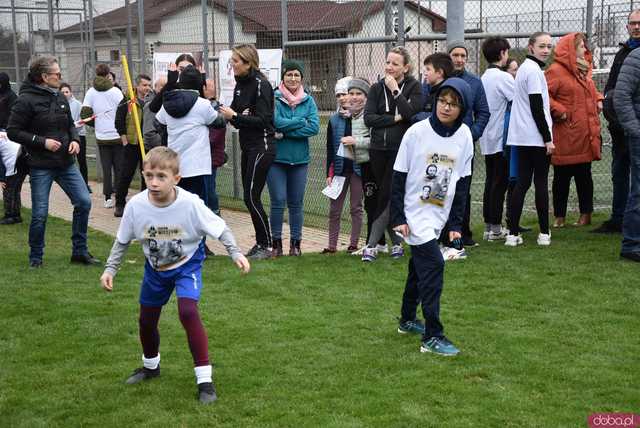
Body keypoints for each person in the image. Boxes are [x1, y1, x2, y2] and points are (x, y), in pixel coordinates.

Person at [100, 147, 250, 403]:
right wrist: (110, 268)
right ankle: (150, 367)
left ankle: (205, 382)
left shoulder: (190, 203)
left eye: (161, 176)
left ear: (176, 178)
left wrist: (235, 253)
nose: (154, 182)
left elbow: (220, 228)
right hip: (155, 270)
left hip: (187, 265)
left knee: (188, 312)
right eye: (149, 176)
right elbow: (122, 240)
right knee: (146, 321)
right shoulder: (136, 205)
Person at [390, 78, 473, 356]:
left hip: (438, 215)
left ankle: (407, 319)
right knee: (434, 266)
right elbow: (399, 176)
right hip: (414, 215)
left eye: (453, 104)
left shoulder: (464, 137)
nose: (446, 108)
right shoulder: (416, 132)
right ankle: (433, 336)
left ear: (462, 108)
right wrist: (399, 216)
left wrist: (456, 225)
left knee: (419, 268)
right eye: (442, 101)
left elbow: (462, 183)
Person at [7, 56, 98, 267]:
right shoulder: (25, 100)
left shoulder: (59, 96)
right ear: (44, 77)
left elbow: (70, 125)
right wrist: (42, 142)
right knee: (40, 214)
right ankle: (36, 257)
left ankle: (80, 251)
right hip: (41, 166)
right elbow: (13, 131)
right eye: (57, 74)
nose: (60, 77)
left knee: (84, 202)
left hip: (66, 163)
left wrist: (75, 140)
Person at [362, 46, 423, 262]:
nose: (389, 67)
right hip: (378, 149)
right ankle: (396, 243)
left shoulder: (414, 86)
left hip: (400, 151)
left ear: (405, 67)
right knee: (385, 196)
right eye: (388, 62)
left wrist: (396, 91)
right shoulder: (377, 88)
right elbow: (369, 118)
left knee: (387, 194)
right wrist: (394, 119)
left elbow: (409, 113)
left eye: (395, 63)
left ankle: (370, 245)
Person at [219, 44, 276, 260]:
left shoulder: (262, 84)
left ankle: (266, 245)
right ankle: (261, 242)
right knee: (249, 197)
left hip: (262, 146)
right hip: (248, 146)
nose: (232, 65)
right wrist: (225, 114)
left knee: (252, 196)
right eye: (232, 60)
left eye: (235, 61)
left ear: (248, 62)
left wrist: (235, 117)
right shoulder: (240, 84)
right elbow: (234, 114)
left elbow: (263, 120)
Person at [546, 33, 602, 228]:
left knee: (584, 177)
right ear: (569, 49)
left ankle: (586, 215)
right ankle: (559, 216)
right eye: (580, 47)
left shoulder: (583, 70)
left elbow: (591, 92)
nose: (584, 50)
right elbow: (544, 96)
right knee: (561, 178)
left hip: (584, 134)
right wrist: (560, 111)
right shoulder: (555, 71)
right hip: (566, 133)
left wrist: (599, 100)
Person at [505, 32, 555, 247]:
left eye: (549, 46)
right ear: (530, 47)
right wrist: (548, 138)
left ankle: (512, 234)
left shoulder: (525, 68)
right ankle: (544, 233)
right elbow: (537, 107)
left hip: (522, 137)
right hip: (535, 137)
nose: (546, 50)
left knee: (522, 183)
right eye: (541, 45)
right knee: (540, 183)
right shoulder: (533, 71)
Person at [593, 10, 640, 234]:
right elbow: (613, 91)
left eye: (639, 23)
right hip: (622, 128)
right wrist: (616, 119)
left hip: (634, 127)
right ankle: (618, 218)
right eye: (632, 23)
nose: (636, 27)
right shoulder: (623, 53)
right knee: (619, 172)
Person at [268, 60, 320, 257]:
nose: (292, 78)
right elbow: (275, 122)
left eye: (296, 75)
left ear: (302, 78)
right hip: (277, 160)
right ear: (283, 76)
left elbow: (313, 127)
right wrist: (299, 121)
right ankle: (276, 244)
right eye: (289, 74)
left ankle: (296, 245)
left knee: (296, 203)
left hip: (300, 160)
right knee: (278, 201)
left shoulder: (309, 100)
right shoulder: (274, 97)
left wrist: (284, 130)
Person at [447, 41, 491, 248]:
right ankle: (441, 233)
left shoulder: (475, 82)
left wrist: (471, 134)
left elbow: (483, 112)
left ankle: (463, 232)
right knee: (440, 186)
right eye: (455, 55)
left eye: (463, 56)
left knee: (462, 188)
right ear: (449, 57)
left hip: (464, 147)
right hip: (441, 144)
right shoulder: (439, 79)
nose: (459, 59)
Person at [156, 65, 217, 203]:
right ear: (199, 84)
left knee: (176, 205)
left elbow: (158, 122)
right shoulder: (203, 104)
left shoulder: (168, 103)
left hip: (174, 166)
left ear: (180, 81)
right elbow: (218, 122)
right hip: (198, 166)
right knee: (198, 208)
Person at [324, 77, 369, 254]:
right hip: (340, 170)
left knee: (356, 208)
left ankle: (353, 243)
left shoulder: (362, 117)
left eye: (346, 94)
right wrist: (329, 172)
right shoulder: (334, 120)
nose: (344, 98)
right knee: (334, 209)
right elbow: (330, 148)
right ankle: (331, 245)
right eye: (339, 95)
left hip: (358, 169)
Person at [479, 37, 515, 241]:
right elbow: (518, 100)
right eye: (507, 53)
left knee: (491, 181)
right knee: (499, 183)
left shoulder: (484, 77)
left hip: (487, 137)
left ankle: (489, 226)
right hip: (500, 138)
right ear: (502, 54)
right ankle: (495, 228)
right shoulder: (503, 78)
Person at [81, 63, 124, 209]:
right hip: (118, 136)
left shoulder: (90, 92)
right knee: (119, 168)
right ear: (108, 75)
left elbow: (85, 114)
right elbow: (124, 112)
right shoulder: (116, 92)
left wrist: (97, 124)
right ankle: (119, 197)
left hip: (101, 137)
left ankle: (107, 198)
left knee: (106, 169)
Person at [613, 39, 640, 262]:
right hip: (638, 136)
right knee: (639, 190)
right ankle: (631, 244)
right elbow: (621, 97)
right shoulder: (635, 57)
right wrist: (636, 130)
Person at [114, 73, 152, 217]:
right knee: (126, 174)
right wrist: (124, 139)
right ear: (137, 85)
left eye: (149, 85)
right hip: (131, 143)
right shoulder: (128, 100)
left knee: (146, 175)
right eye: (144, 85)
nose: (147, 88)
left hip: (147, 144)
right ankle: (120, 203)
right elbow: (119, 120)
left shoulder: (152, 100)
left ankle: (145, 204)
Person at [203, 78, 226, 218]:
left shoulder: (219, 109)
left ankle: (215, 212)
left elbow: (215, 135)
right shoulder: (200, 106)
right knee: (205, 186)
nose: (208, 89)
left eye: (210, 86)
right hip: (201, 154)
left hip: (212, 155)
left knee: (209, 186)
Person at [60, 83, 89, 191]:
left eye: (67, 92)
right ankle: (71, 186)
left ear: (71, 93)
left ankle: (85, 185)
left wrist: (75, 125)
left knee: (82, 161)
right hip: (65, 137)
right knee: (69, 162)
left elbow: (83, 120)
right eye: (62, 92)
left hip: (79, 135)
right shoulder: (58, 105)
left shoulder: (77, 104)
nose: (65, 94)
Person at [413, 53, 454, 122]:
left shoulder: (447, 92)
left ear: (439, 73)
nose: (425, 73)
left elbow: (437, 117)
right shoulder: (432, 89)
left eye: (428, 69)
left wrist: (415, 117)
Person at [0, 131, 27, 224]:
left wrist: (1, 179)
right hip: (22, 159)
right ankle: (16, 216)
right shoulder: (2, 132)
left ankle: (9, 216)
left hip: (14, 161)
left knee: (8, 189)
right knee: (16, 190)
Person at [143, 76, 168, 150]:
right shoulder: (151, 105)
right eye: (163, 87)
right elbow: (149, 133)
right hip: (155, 150)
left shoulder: (164, 102)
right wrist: (164, 145)